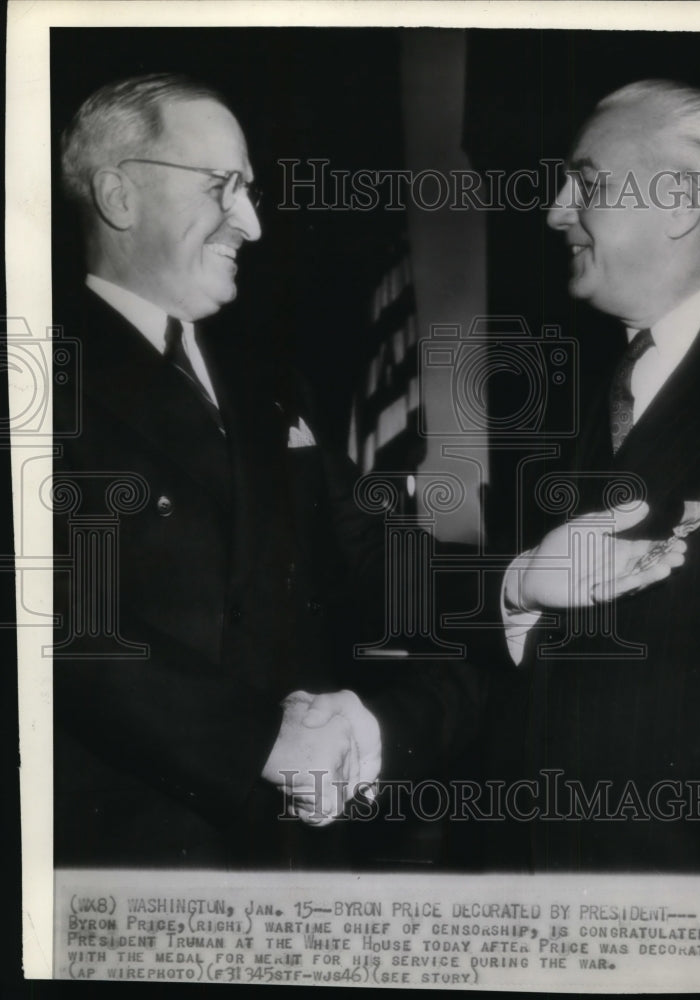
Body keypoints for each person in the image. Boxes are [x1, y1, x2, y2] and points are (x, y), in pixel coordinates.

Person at [52, 73, 484, 868]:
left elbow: (372, 551)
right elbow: (53, 622)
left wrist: (518, 582)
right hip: (125, 863)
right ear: (118, 194)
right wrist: (262, 740)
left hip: (297, 854)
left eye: (250, 191)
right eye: (224, 188)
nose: (250, 223)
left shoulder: (271, 384)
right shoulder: (36, 373)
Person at [492, 80, 700, 872]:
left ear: (682, 205)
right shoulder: (581, 398)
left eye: (584, 182)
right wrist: (520, 601)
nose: (555, 210)